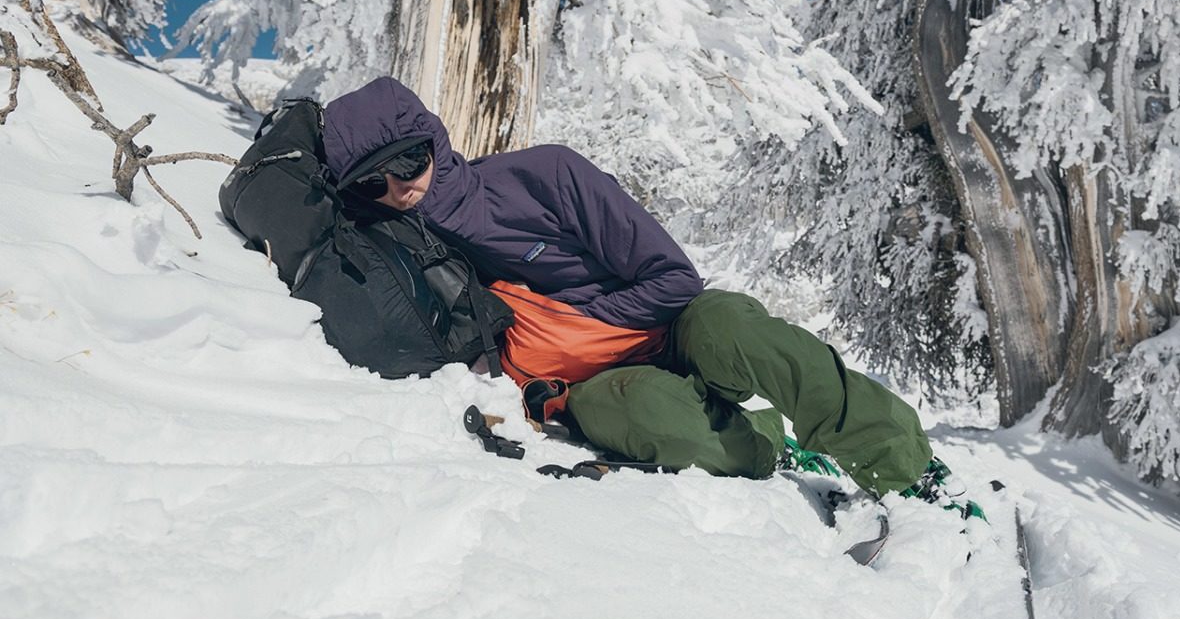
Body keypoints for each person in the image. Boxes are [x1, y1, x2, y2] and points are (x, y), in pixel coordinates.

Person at [322, 76, 942, 499]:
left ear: (435, 139)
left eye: (408, 162)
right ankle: (766, 446)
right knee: (662, 419)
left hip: (671, 328)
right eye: (373, 184)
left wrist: (583, 326)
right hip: (587, 386)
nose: (399, 188)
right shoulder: (398, 247)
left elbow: (673, 278)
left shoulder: (543, 175)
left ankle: (908, 473)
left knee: (742, 333)